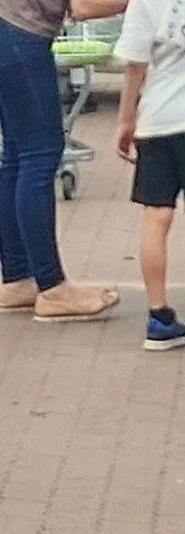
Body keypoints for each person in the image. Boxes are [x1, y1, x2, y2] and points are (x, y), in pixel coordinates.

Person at [0, 0, 121, 318]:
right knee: (40, 153)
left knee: (16, 155)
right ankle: (52, 289)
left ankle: (18, 279)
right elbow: (83, 6)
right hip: (18, 29)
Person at [112, 0, 185, 346]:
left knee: (156, 216)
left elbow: (135, 65)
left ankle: (158, 316)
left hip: (158, 121)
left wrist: (126, 120)